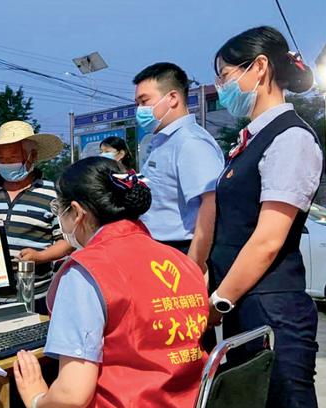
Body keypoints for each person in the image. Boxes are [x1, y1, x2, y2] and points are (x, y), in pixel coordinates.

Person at [14, 157, 209, 408]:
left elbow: (71, 396)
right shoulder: (182, 262)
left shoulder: (87, 271)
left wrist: (36, 397)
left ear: (76, 212)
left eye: (58, 210)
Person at [209, 26, 321, 408]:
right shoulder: (251, 141)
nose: (220, 87)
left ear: (258, 68)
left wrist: (220, 300)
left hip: (273, 308)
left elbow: (268, 239)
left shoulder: (290, 138)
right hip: (247, 305)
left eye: (224, 75)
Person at [0, 121, 73, 309]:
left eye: (13, 158)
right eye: (2, 159)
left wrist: (40, 256)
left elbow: (67, 242)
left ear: (32, 156)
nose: (6, 164)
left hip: (36, 296)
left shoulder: (52, 194)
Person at [134, 63, 224, 274]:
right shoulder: (164, 142)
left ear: (172, 98)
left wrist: (193, 266)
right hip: (161, 251)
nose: (140, 110)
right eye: (137, 103)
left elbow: (211, 204)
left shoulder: (190, 142)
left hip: (181, 253)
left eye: (144, 101)